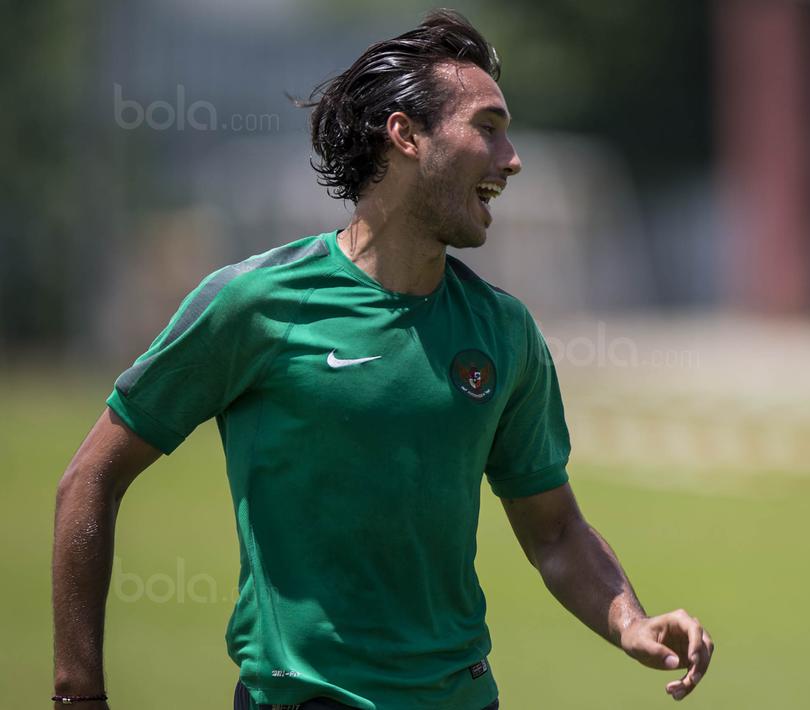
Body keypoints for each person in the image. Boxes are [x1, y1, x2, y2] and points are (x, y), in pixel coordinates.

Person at [51, 9, 714, 710]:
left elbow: (554, 531)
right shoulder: (252, 305)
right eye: (486, 128)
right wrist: (77, 693)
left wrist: (629, 621)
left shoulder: (505, 332)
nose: (511, 158)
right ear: (405, 135)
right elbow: (90, 481)